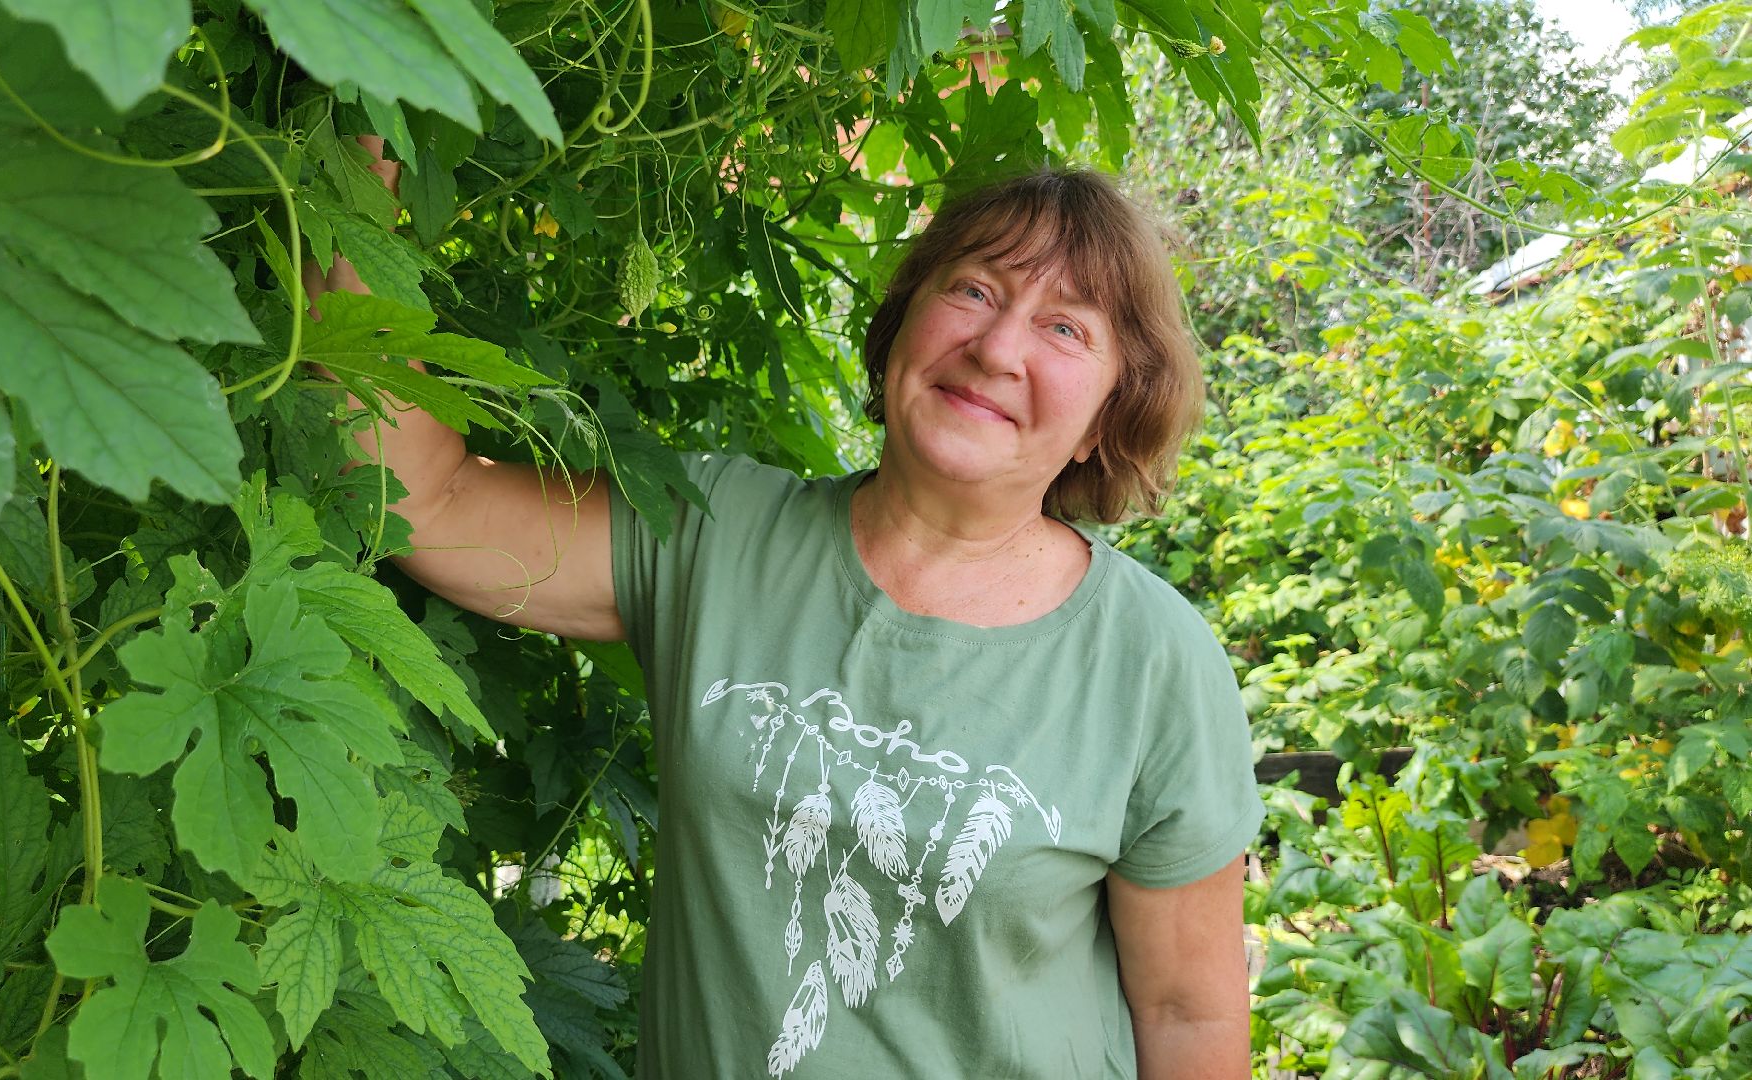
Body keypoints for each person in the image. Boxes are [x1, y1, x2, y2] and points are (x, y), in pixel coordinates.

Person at [311, 138, 1263, 1079]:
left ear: (1108, 416)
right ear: (904, 323)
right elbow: (429, 499)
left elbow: (1188, 1016)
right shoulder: (713, 536)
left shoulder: (1151, 662)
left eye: (1066, 329)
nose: (997, 348)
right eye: (973, 290)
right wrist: (345, 189)